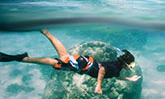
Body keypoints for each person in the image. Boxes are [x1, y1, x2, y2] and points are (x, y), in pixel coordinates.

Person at [0, 30, 141, 95]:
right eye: (132, 66)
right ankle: (46, 32)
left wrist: (129, 79)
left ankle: (20, 58)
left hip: (81, 67)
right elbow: (102, 69)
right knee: (64, 57)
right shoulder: (115, 66)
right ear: (125, 64)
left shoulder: (117, 69)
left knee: (54, 63)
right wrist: (98, 86)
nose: (132, 68)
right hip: (84, 64)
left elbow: (116, 76)